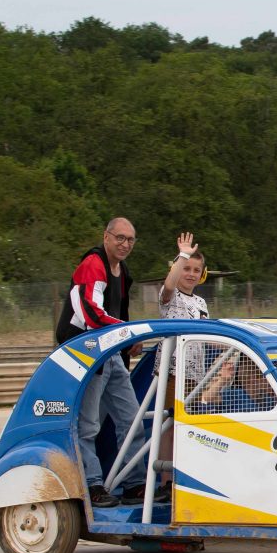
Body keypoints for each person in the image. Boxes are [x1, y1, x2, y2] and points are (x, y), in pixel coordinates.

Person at [55, 217, 166, 508]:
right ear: (106, 236)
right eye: (120, 238)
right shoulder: (93, 264)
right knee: (88, 425)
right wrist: (130, 333)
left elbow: (120, 311)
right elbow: (92, 314)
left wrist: (129, 336)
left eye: (130, 240)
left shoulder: (123, 271)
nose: (125, 244)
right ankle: (91, 485)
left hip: (111, 351)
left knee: (131, 421)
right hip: (87, 353)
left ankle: (135, 485)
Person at [154, 232, 209, 492]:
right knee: (171, 422)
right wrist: (183, 254)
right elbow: (168, 285)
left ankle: (189, 476)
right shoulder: (171, 295)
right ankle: (166, 479)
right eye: (186, 268)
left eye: (196, 270)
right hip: (172, 370)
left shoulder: (201, 302)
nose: (190, 273)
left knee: (191, 425)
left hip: (195, 375)